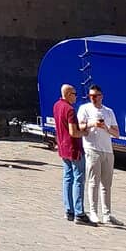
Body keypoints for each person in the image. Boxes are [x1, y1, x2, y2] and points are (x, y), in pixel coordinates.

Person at [78, 84, 120, 225]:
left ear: (101, 96)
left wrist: (106, 128)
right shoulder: (84, 109)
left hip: (107, 150)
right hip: (92, 148)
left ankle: (107, 214)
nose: (93, 98)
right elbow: (80, 126)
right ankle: (93, 212)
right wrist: (92, 124)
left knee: (106, 184)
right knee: (93, 182)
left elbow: (117, 133)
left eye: (96, 96)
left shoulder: (108, 112)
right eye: (91, 96)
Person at [54, 83, 89, 224]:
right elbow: (73, 132)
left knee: (67, 178)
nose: (76, 96)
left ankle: (69, 210)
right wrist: (84, 132)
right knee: (78, 179)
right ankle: (79, 212)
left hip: (63, 147)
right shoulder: (69, 110)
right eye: (74, 94)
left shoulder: (57, 106)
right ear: (68, 94)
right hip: (73, 148)